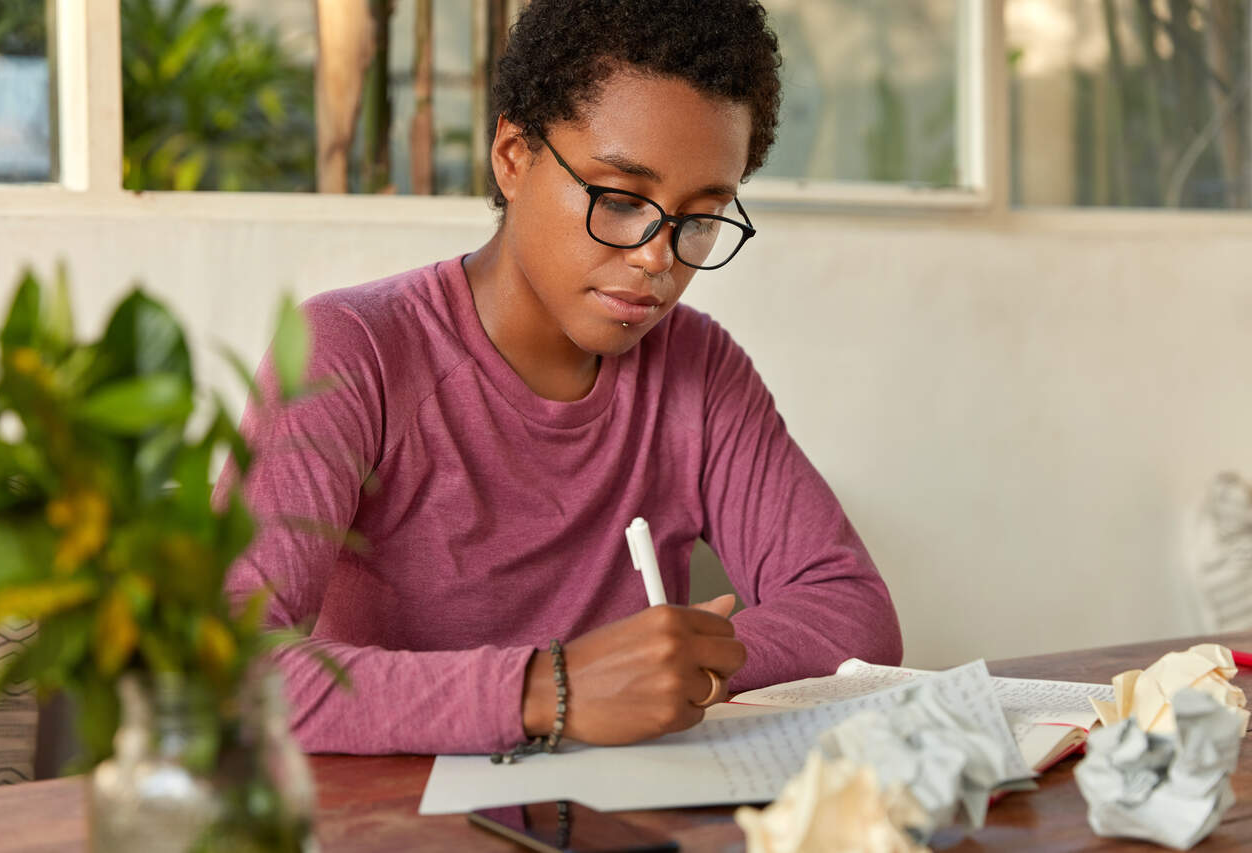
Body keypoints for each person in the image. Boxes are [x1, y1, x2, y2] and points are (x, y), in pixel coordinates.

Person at [217, 0, 902, 757]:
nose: (657, 259)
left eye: (699, 218)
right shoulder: (351, 353)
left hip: (627, 813)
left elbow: (852, 611)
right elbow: (224, 670)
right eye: (618, 199)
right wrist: (551, 689)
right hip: (400, 818)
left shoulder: (697, 368)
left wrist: (673, 671)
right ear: (513, 156)